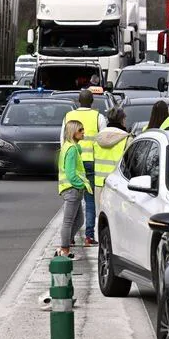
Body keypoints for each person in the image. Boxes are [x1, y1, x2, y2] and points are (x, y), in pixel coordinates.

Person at [61, 89, 106, 246]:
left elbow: (63, 140)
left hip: (75, 162)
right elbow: (103, 140)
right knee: (90, 200)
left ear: (78, 101)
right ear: (92, 101)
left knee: (75, 202)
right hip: (92, 162)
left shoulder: (68, 116)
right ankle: (88, 236)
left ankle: (70, 237)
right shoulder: (98, 117)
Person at [57, 120, 90, 259]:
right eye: (80, 130)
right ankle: (64, 250)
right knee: (69, 221)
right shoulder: (71, 150)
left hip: (72, 190)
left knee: (78, 221)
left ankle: (63, 247)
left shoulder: (70, 147)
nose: (83, 132)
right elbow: (71, 173)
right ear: (73, 132)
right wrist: (80, 185)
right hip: (72, 190)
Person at [93, 107, 132, 210]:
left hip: (99, 184)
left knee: (101, 218)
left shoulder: (98, 138)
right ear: (122, 120)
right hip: (118, 187)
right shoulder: (127, 139)